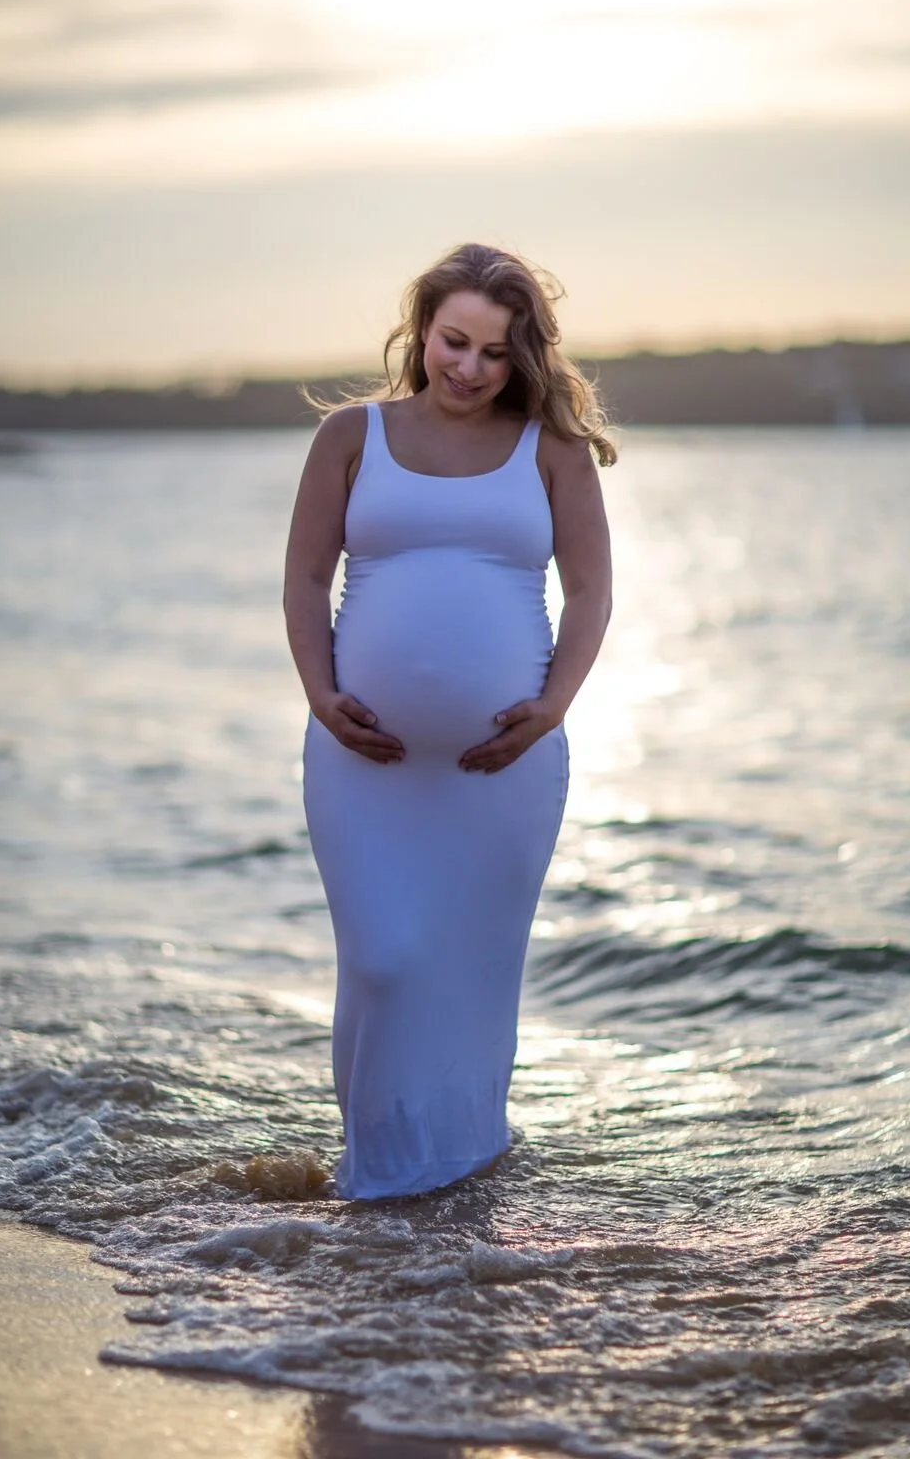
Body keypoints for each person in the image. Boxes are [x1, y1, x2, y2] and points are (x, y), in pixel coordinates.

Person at [283, 242, 614, 1200]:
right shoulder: (353, 436)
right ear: (422, 330)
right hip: (362, 762)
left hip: (504, 772)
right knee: (382, 964)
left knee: (471, 980)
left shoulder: (549, 450)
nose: (469, 367)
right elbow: (307, 576)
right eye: (454, 341)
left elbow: (591, 591)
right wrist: (319, 690)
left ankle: (451, 1183)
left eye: (496, 352)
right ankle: (378, 1173)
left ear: (525, 360)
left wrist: (552, 706)